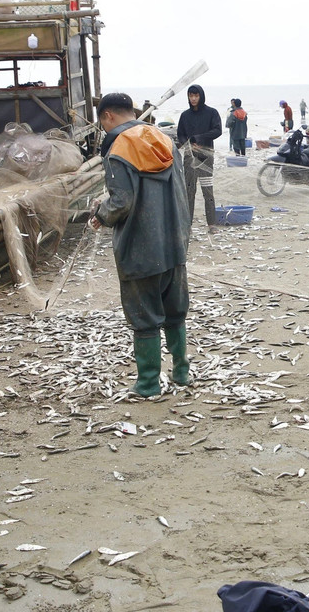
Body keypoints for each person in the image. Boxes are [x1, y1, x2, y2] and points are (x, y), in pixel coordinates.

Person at [90, 93, 191, 397]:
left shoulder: (118, 149)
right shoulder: (163, 138)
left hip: (140, 249)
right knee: (175, 312)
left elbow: (121, 202)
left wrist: (100, 213)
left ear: (107, 116)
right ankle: (182, 373)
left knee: (145, 317)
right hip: (174, 242)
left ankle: (148, 383)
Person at [175, 83, 221, 231]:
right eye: (191, 95)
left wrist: (199, 138)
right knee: (189, 190)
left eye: (196, 95)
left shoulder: (211, 113)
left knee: (207, 189)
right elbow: (180, 134)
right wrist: (188, 144)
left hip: (206, 155)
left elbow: (217, 130)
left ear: (201, 96)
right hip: (189, 156)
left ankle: (212, 223)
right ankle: (187, 223)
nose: (193, 98)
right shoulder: (185, 115)